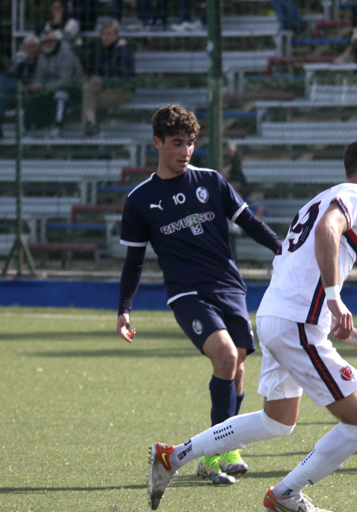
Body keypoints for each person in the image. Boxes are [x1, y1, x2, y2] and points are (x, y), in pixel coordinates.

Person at [145, 138, 357, 512]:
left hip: (276, 318)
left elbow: (299, 272)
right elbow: (328, 231)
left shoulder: (320, 198)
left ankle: (173, 457)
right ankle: (285, 493)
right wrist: (333, 297)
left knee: (276, 421)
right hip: (296, 325)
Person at [118, 106, 283, 486]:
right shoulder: (140, 199)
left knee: (237, 367)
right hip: (187, 293)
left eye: (190, 143)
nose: (185, 150)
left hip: (229, 286)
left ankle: (219, 455)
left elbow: (248, 222)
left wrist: (283, 250)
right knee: (225, 355)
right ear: (157, 142)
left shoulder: (211, 181)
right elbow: (134, 260)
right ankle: (217, 453)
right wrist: (124, 308)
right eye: (177, 143)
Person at [0, 35, 42, 142]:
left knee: (2, 80)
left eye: (33, 46)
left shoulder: (41, 61)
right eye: (27, 47)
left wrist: (27, 86)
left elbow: (39, 81)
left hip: (31, 93)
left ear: (38, 48)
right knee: (3, 90)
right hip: (16, 91)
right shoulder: (23, 62)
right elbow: (12, 75)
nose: (30, 49)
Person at [81, 20, 135, 137]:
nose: (105, 37)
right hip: (104, 89)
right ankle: (91, 125)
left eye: (109, 34)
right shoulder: (101, 50)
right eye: (103, 34)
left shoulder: (124, 50)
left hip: (122, 91)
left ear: (116, 35)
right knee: (88, 89)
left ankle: (88, 132)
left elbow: (125, 80)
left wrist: (103, 81)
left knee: (89, 101)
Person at [27, 29, 85, 135]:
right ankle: (33, 126)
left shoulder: (66, 55)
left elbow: (66, 81)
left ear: (56, 41)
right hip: (51, 87)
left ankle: (58, 126)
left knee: (61, 93)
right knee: (33, 93)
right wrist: (35, 85)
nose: (47, 44)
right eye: (44, 42)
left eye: (50, 41)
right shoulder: (42, 56)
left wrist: (44, 86)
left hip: (75, 89)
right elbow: (39, 77)